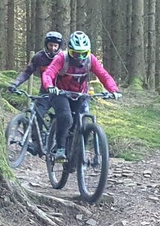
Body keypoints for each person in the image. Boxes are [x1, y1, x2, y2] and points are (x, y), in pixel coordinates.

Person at [42, 31, 122, 161]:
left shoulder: (90, 59)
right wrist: (49, 86)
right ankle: (60, 148)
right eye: (76, 53)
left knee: (83, 123)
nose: (79, 57)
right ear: (69, 51)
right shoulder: (62, 58)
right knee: (66, 117)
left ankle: (78, 156)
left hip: (80, 94)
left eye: (83, 54)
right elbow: (48, 73)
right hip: (61, 93)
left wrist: (113, 89)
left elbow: (103, 75)